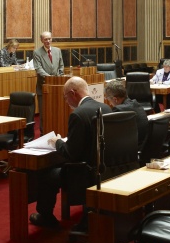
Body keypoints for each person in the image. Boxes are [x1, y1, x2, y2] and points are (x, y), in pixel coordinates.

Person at [30, 77, 111, 228]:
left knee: (47, 175)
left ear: (73, 93)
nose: (66, 101)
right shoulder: (105, 108)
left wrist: (57, 142)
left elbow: (71, 154)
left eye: (65, 97)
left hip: (83, 174)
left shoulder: (77, 114)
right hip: (105, 169)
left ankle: (45, 217)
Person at [33, 31, 65, 133]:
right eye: (45, 39)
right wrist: (50, 78)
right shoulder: (37, 52)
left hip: (57, 86)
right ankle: (43, 132)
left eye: (49, 39)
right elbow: (38, 69)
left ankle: (56, 130)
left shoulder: (57, 50)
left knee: (56, 110)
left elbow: (61, 66)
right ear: (41, 40)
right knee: (44, 112)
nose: (48, 41)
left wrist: (59, 76)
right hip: (44, 86)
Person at [104, 80, 148, 148]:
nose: (110, 103)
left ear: (115, 99)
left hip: (132, 148)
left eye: (109, 100)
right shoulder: (136, 104)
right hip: (144, 146)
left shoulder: (118, 110)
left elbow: (113, 135)